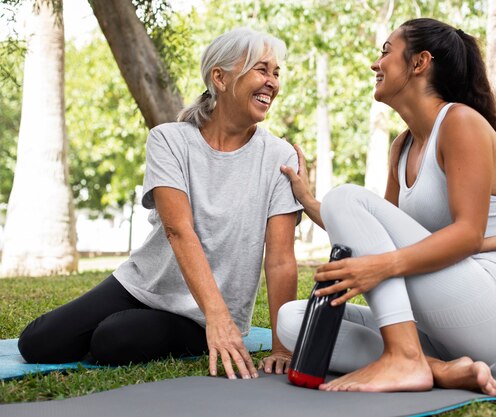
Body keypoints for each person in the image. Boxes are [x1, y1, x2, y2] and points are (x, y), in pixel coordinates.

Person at [18, 28, 302, 380]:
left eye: (276, 73)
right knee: (36, 343)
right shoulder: (168, 140)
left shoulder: (279, 155)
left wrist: (282, 346)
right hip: (142, 284)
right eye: (263, 69)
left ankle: (147, 331)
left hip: (198, 316)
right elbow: (178, 229)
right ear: (221, 77)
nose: (272, 82)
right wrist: (218, 317)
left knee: (113, 340)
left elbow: (279, 259)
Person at [277, 18, 496, 394]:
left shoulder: (460, 122)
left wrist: (380, 267)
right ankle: (438, 368)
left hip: (485, 305)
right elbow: (372, 234)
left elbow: (468, 234)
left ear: (419, 62)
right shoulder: (402, 146)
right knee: (292, 321)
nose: (376, 64)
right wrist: (309, 201)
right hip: (436, 321)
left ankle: (404, 358)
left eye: (386, 52)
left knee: (345, 195)